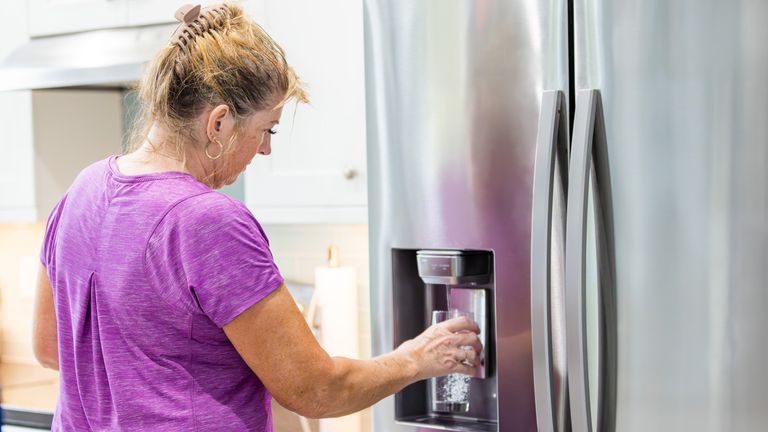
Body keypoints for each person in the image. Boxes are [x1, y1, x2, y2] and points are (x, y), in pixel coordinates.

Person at [31, 3, 482, 431]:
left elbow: (50, 348)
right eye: (267, 129)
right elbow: (316, 389)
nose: (266, 149)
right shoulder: (206, 222)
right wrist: (415, 358)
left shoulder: (81, 190)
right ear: (219, 122)